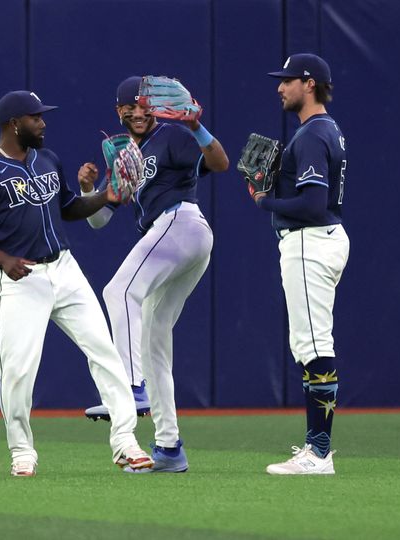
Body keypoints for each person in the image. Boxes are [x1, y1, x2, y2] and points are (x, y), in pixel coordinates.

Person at [0, 90, 153, 477]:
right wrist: (3, 260)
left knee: (105, 351)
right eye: (36, 117)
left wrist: (104, 196)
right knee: (17, 370)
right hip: (20, 279)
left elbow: (66, 207)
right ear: (14, 123)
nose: (43, 123)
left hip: (65, 269)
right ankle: (22, 451)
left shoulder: (47, 158)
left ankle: (125, 441)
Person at [79, 76, 229, 472]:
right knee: (153, 339)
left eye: (145, 107)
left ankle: (131, 387)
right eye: (130, 108)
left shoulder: (173, 136)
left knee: (118, 291)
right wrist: (90, 190)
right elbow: (100, 220)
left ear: (156, 109)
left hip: (181, 222)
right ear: (119, 112)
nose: (138, 113)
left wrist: (196, 126)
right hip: (178, 241)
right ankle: (169, 447)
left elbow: (220, 163)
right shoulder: (124, 154)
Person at [249, 54, 349, 475]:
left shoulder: (311, 135)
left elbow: (311, 204)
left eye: (287, 80)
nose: (280, 87)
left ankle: (319, 452)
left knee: (313, 345)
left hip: (310, 242)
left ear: (309, 84)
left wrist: (265, 199)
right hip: (320, 240)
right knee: (308, 343)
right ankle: (316, 447)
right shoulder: (328, 130)